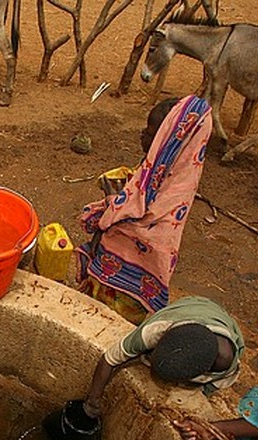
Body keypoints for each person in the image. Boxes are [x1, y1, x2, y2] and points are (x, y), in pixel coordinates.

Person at [76, 95, 211, 325]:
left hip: (131, 279)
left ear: (165, 141)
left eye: (149, 133)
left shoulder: (173, 187)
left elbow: (132, 212)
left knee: (108, 324)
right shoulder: (175, 171)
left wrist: (109, 206)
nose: (143, 135)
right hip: (135, 269)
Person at [80, 296, 244, 419]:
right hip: (192, 305)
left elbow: (206, 390)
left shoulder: (226, 367)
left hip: (216, 319)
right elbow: (109, 359)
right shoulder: (155, 329)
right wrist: (94, 398)